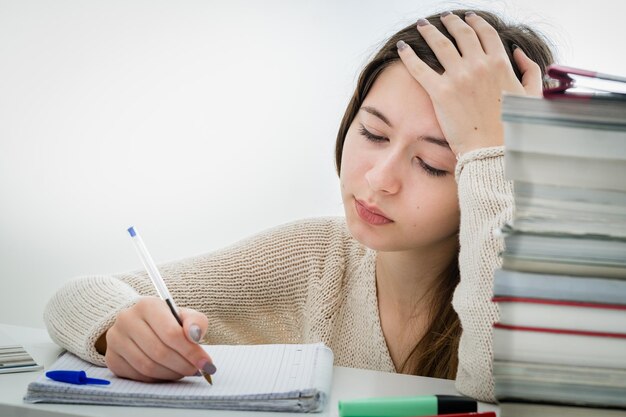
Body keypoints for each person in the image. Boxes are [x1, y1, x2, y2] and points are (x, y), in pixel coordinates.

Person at [44, 9, 554, 402]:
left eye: (433, 164)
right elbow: (75, 296)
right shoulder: (314, 258)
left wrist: (495, 151)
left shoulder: (555, 287)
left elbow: (501, 383)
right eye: (373, 132)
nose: (378, 179)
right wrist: (118, 329)